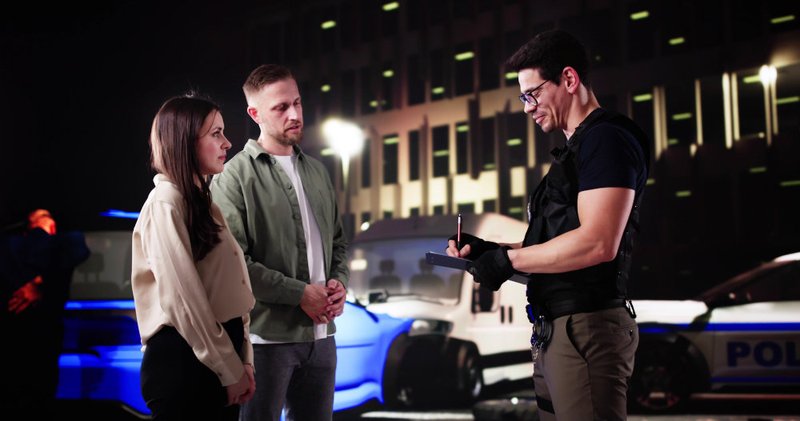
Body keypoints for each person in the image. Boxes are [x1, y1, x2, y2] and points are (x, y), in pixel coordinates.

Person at [447, 30, 649, 420]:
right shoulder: (580, 148)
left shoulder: (605, 140)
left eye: (532, 93)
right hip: (561, 330)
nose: (527, 107)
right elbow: (563, 244)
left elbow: (598, 243)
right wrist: (492, 253)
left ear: (569, 80)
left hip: (586, 329)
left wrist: (508, 262)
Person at [211, 64, 349, 421]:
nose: (295, 114)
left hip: (322, 339)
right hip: (265, 342)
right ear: (254, 114)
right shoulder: (232, 177)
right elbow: (235, 264)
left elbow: (338, 243)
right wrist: (300, 293)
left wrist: (339, 283)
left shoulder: (318, 171)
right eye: (281, 108)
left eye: (297, 103)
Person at [131, 95, 256, 420]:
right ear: (185, 141)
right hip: (185, 362)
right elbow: (183, 300)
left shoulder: (204, 202)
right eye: (215, 133)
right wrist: (229, 368)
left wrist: (244, 359)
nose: (228, 142)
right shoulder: (166, 202)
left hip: (214, 357)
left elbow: (232, 288)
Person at [1, 209, 89, 420]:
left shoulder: (61, 245)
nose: (46, 218)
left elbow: (78, 248)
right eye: (41, 215)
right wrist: (40, 232)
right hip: (18, 341)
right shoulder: (14, 246)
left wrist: (37, 283)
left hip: (40, 342)